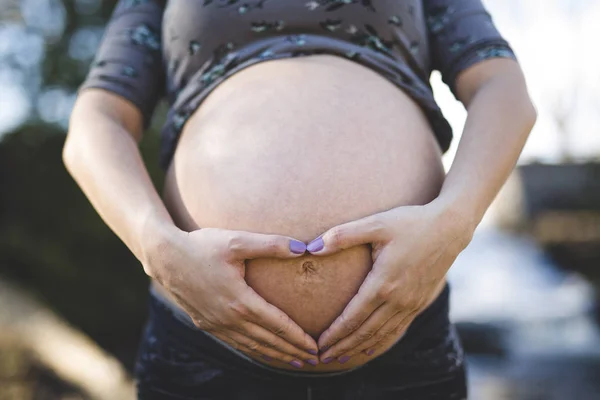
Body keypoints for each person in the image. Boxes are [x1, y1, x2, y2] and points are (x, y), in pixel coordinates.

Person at [63, 0, 536, 398]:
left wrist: (454, 223)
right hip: (199, 342)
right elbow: (97, 118)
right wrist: (158, 248)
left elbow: (502, 88)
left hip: (404, 340)